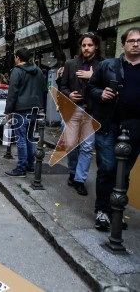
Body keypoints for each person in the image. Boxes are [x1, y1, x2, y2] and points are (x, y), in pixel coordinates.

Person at [87, 27, 140, 231]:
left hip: (135, 129)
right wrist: (101, 93)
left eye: (139, 40)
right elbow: (90, 88)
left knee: (124, 173)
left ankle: (115, 211)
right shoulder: (108, 65)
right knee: (108, 169)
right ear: (124, 44)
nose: (136, 44)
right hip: (109, 126)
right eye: (131, 40)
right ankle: (102, 211)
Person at [59, 33, 103, 196]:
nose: (86, 48)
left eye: (90, 45)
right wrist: (68, 94)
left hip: (91, 111)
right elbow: (62, 86)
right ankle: (72, 171)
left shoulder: (102, 65)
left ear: (96, 46)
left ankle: (80, 179)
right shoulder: (70, 64)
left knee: (86, 147)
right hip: (72, 109)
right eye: (84, 45)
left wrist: (92, 76)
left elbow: (107, 87)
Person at [4, 47, 47, 177]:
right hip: (34, 109)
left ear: (17, 58)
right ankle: (30, 165)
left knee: (21, 139)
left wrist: (8, 111)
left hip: (20, 109)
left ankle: (21, 167)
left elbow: (12, 93)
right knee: (30, 137)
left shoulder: (17, 71)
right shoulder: (38, 71)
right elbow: (44, 90)